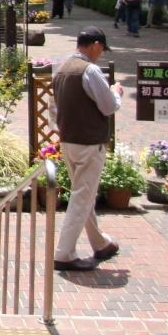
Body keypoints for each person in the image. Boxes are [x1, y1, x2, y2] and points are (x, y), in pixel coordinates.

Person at [52, 26, 123, 272]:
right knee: (82, 197)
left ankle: (100, 243)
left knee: (84, 193)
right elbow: (109, 106)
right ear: (95, 45)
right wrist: (116, 92)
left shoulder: (62, 68)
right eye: (101, 49)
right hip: (89, 142)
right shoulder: (90, 70)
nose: (100, 54)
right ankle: (64, 253)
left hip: (68, 140)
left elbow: (53, 109)